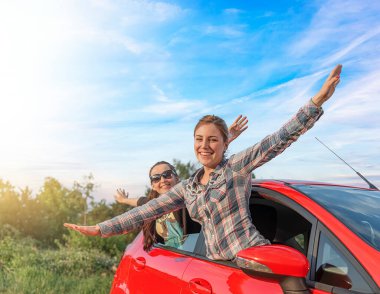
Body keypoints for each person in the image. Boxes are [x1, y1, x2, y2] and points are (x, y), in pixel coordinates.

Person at [65, 64, 342, 261]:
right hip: (216, 268)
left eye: (212, 140)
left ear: (225, 143)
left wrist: (316, 102)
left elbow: (277, 140)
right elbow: (145, 211)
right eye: (199, 139)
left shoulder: (236, 167)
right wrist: (101, 229)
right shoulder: (188, 187)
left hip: (253, 261)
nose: (204, 146)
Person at [112, 116, 249, 251]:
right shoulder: (152, 204)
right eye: (156, 178)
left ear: (177, 178)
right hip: (170, 263)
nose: (163, 180)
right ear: (153, 185)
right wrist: (123, 199)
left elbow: (210, 169)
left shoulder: (189, 193)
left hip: (195, 259)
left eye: (167, 175)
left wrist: (226, 139)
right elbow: (137, 202)